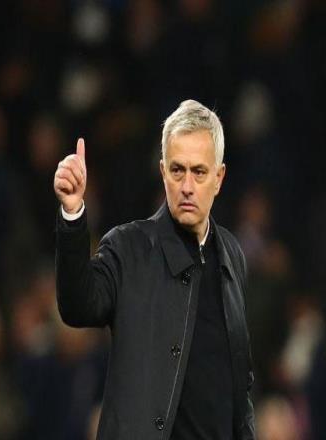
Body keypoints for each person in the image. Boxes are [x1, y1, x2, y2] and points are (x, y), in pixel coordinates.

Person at [54, 100, 255, 439]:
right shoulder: (128, 248)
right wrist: (73, 215)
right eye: (177, 170)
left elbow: (239, 380)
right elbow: (78, 306)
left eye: (199, 172)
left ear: (219, 178)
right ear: (163, 172)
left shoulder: (232, 255)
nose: (187, 186)